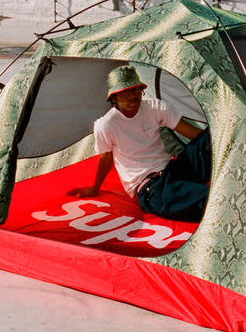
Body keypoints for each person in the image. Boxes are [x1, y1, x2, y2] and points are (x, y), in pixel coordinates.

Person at [68, 65, 212, 221]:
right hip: (151, 187)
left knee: (210, 138)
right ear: (114, 98)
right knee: (208, 200)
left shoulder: (154, 107)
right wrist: (94, 188)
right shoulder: (106, 125)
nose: (132, 96)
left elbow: (194, 135)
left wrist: (212, 147)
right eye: (125, 92)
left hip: (172, 170)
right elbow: (106, 158)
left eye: (135, 90)